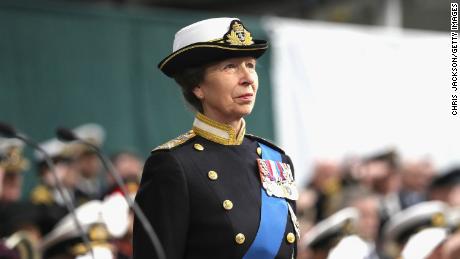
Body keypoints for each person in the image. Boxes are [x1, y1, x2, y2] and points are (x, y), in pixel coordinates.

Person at [133, 17, 299, 259]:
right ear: (197, 86)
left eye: (251, 65)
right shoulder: (173, 165)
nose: (248, 78)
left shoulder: (277, 160)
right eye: (230, 66)